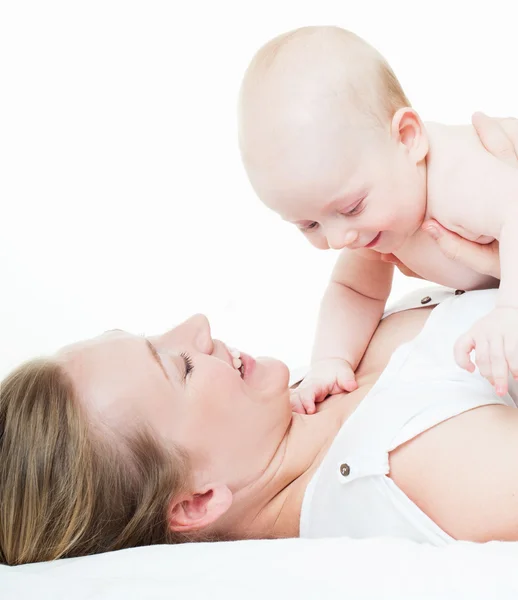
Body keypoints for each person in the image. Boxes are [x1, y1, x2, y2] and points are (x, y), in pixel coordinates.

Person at [1, 112, 518, 565]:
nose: (197, 324)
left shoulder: (321, 380)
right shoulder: (408, 470)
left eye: (153, 337)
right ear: (198, 501)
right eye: (179, 366)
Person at [238, 26, 518, 414]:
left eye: (351, 208)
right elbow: (355, 292)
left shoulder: (453, 177)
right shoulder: (380, 217)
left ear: (407, 139)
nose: (337, 239)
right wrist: (331, 362)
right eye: (309, 225)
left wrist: (510, 311)